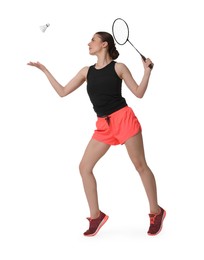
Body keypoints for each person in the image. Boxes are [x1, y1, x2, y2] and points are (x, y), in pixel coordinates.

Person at [27, 31, 166, 237]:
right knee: (84, 167)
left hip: (123, 118)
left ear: (104, 45)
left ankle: (156, 212)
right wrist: (45, 71)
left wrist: (147, 72)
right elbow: (63, 92)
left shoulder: (119, 67)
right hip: (104, 124)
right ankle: (96, 216)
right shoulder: (86, 71)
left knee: (140, 165)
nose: (88, 43)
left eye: (92, 40)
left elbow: (138, 93)